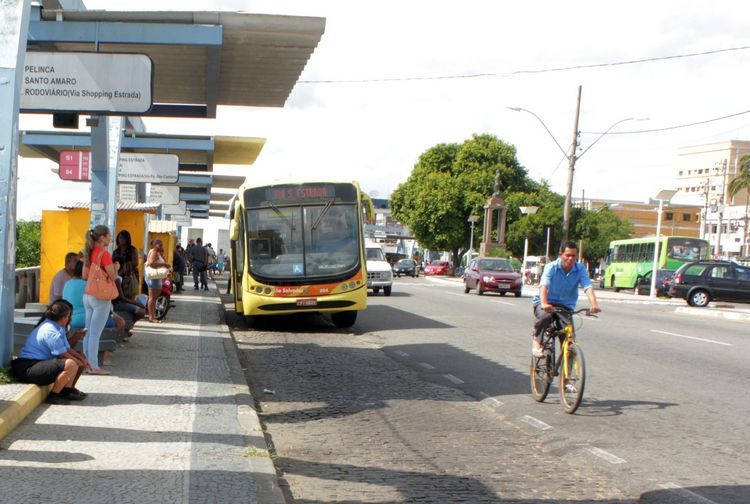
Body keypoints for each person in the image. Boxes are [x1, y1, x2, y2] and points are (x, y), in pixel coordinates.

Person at [12, 300, 91, 404]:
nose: (69, 319)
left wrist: (83, 360)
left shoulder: (58, 328)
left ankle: (67, 390)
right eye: (68, 316)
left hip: (39, 363)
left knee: (78, 358)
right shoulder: (50, 330)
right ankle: (54, 396)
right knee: (71, 363)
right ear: (63, 318)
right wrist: (78, 362)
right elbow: (61, 354)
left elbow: (67, 349)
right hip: (28, 367)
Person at [531, 241, 601, 357]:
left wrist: (594, 304)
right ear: (561, 255)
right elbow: (544, 286)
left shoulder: (580, 269)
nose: (570, 258)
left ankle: (567, 373)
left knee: (569, 339)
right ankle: (537, 342)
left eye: (573, 256)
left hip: (565, 306)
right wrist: (544, 303)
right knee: (545, 316)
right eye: (567, 255)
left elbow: (588, 287)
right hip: (546, 302)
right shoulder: (551, 267)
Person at [83, 225, 117, 375]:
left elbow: (85, 275)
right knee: (95, 334)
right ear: (102, 237)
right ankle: (94, 366)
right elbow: (114, 276)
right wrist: (117, 266)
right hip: (101, 297)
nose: (110, 239)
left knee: (88, 332)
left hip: (88, 295)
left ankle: (86, 363)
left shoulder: (88, 253)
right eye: (109, 236)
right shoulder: (104, 254)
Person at [145, 239, 170, 323]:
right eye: (159, 245)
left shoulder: (157, 252)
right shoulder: (154, 252)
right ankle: (151, 317)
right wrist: (163, 264)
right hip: (153, 278)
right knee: (152, 298)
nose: (161, 246)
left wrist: (162, 255)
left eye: (161, 245)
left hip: (156, 278)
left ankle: (152, 316)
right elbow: (151, 263)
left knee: (153, 298)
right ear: (155, 245)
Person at [112, 230, 140, 300]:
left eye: (123, 238)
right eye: (120, 238)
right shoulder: (115, 251)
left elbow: (136, 263)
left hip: (130, 278)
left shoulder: (133, 250)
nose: (121, 240)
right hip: (118, 277)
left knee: (129, 298)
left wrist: (125, 265)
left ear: (127, 239)